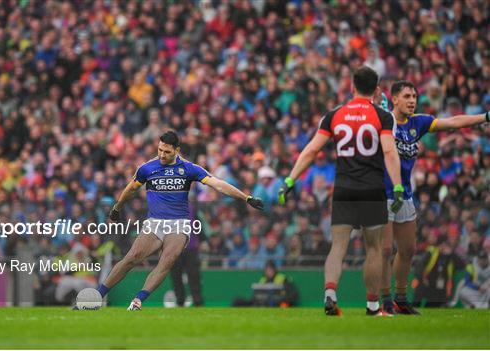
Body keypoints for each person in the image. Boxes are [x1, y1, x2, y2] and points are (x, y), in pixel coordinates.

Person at [278, 66, 404, 316]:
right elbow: (390, 151)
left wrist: (290, 180)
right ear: (377, 89)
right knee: (374, 249)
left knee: (338, 246)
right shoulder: (383, 116)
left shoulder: (334, 115)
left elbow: (312, 150)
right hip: (372, 189)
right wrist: (398, 186)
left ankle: (330, 294)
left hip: (344, 188)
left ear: (351, 87)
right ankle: (372, 305)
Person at [96, 131, 264, 310]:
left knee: (167, 260)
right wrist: (117, 208)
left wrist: (246, 198)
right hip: (154, 222)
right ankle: (96, 295)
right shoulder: (147, 168)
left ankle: (138, 300)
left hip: (179, 224)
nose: (162, 154)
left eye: (167, 152)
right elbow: (130, 189)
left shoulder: (189, 168)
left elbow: (219, 184)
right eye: (160, 150)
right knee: (131, 257)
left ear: (177, 150)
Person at [380, 80, 490, 314]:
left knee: (408, 250)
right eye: (407, 96)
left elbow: (453, 122)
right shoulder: (383, 122)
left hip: (406, 196)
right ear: (395, 99)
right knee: (385, 250)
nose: (412, 100)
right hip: (382, 194)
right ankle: (384, 301)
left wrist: (485, 117)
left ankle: (400, 299)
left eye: (414, 96)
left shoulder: (417, 122)